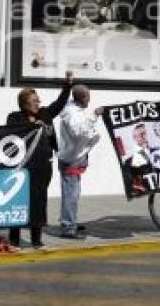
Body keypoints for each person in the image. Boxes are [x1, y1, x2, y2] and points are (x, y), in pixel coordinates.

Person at [6, 71, 73, 248]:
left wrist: (68, 85)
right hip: (22, 168)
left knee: (39, 201)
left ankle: (36, 239)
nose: (38, 104)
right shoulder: (15, 117)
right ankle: (14, 238)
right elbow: (12, 132)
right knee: (18, 201)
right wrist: (31, 126)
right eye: (34, 101)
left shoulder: (45, 113)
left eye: (38, 101)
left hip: (43, 167)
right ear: (24, 103)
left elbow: (60, 103)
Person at [56, 85, 100, 239]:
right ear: (82, 98)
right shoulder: (71, 112)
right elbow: (78, 132)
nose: (89, 100)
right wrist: (94, 116)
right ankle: (68, 226)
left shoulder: (75, 111)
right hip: (71, 159)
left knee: (74, 193)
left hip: (76, 157)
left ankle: (70, 221)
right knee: (70, 193)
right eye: (88, 97)